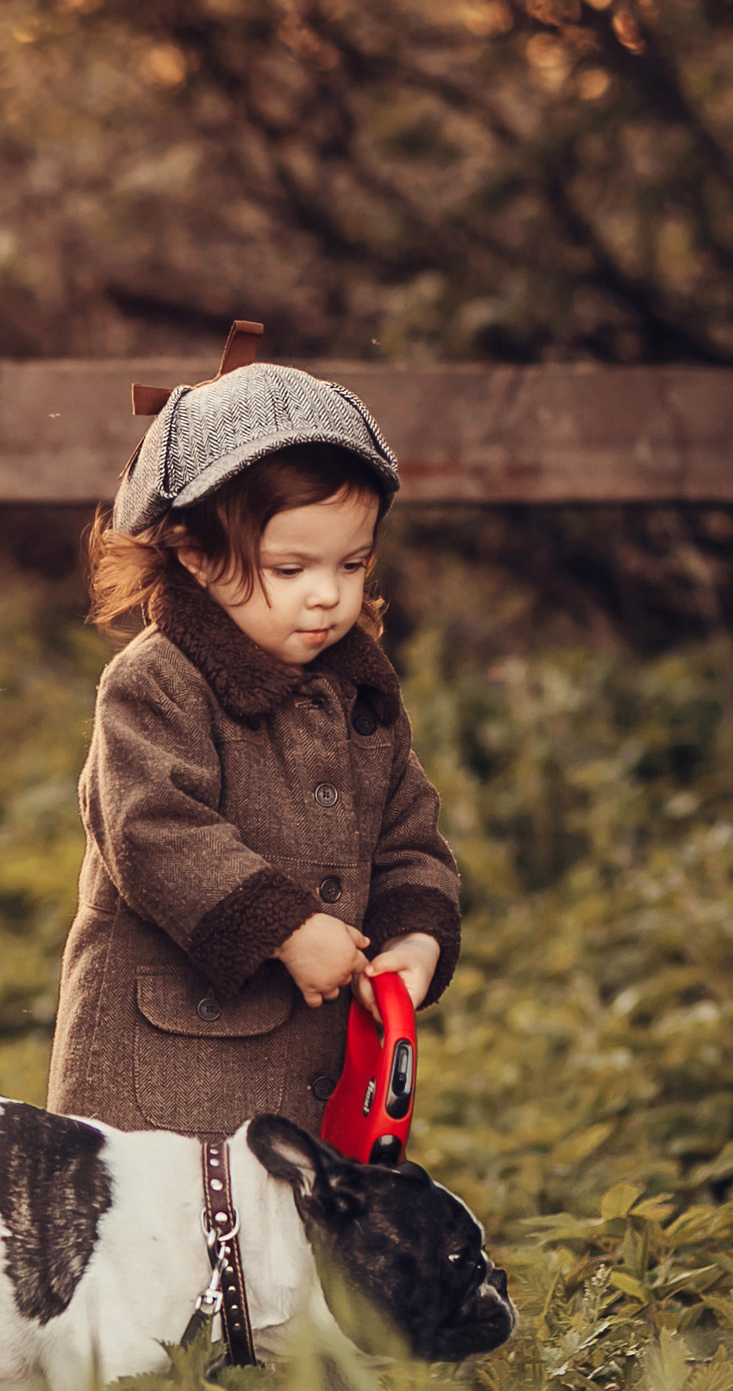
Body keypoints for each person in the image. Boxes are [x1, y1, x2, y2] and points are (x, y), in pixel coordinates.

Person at [45, 348, 461, 1139]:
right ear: (197, 557)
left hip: (307, 1089)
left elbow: (409, 836)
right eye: (290, 566)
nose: (327, 593)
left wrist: (415, 938)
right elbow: (155, 830)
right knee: (159, 1256)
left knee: (278, 1249)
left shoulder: (358, 697)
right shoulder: (158, 683)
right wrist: (286, 927)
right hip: (160, 1082)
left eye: (351, 562)